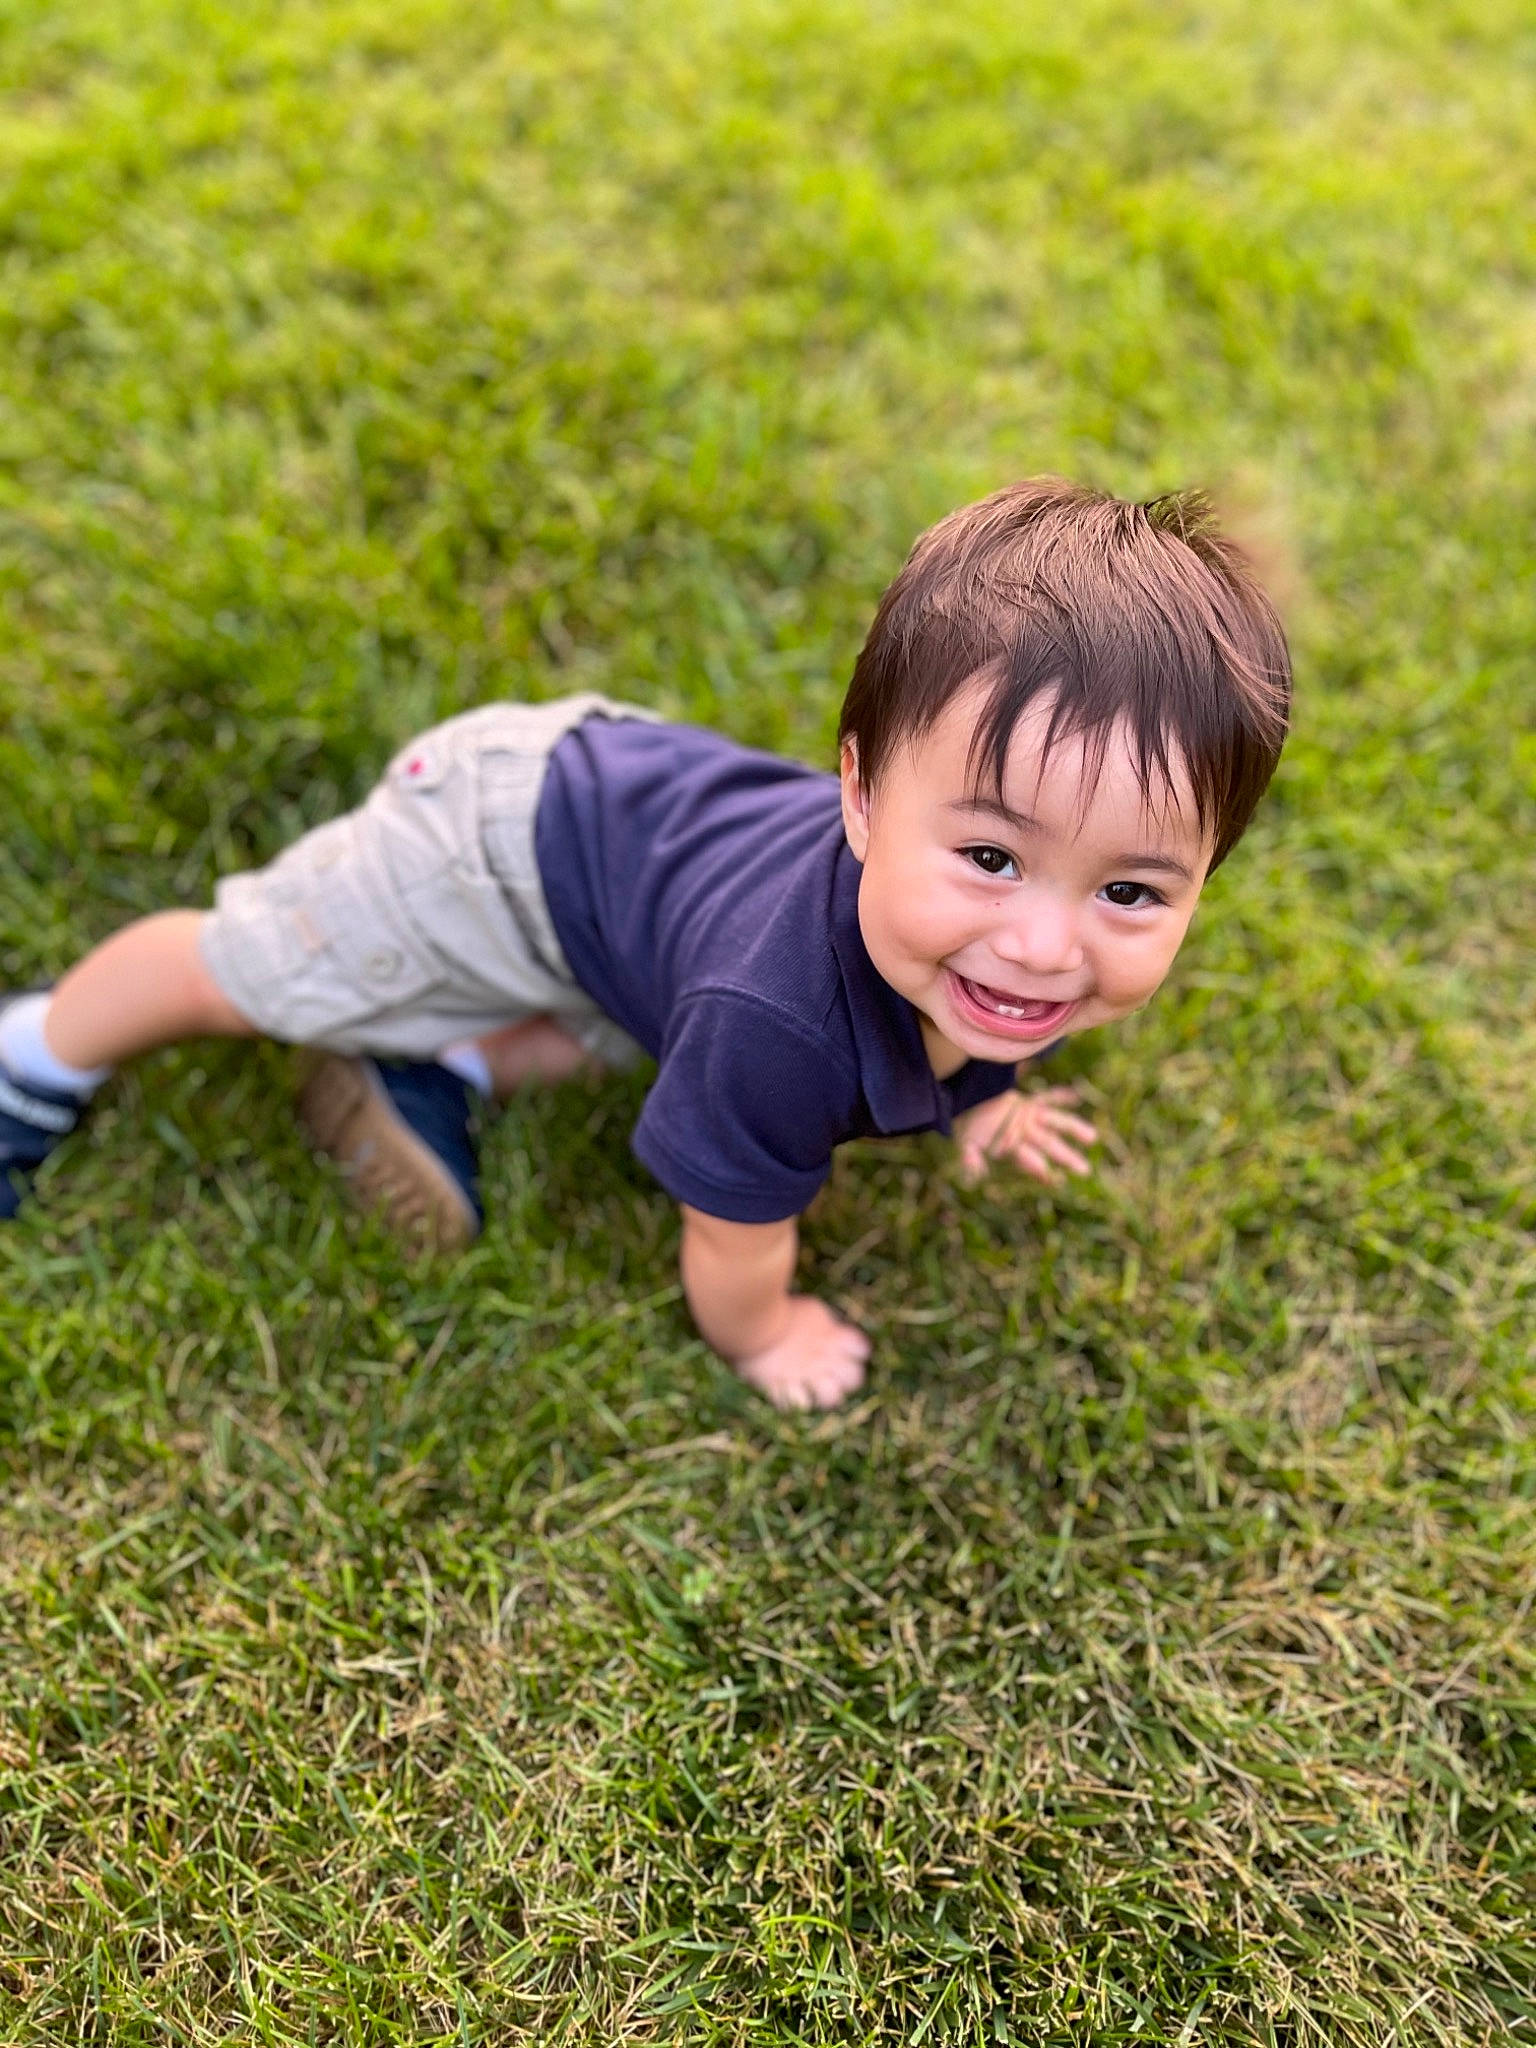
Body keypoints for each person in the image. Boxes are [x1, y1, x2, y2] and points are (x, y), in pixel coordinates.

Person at [0, 478, 1291, 1409]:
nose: (1046, 945)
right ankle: (35, 1057)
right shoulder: (779, 1030)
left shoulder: (959, 950)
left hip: (624, 875)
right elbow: (731, 1233)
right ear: (860, 798)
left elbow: (1001, 993)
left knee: (639, 1030)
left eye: (1131, 892)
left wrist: (976, 1107)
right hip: (492, 847)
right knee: (248, 969)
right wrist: (766, 1332)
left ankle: (434, 1069)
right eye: (993, 858)